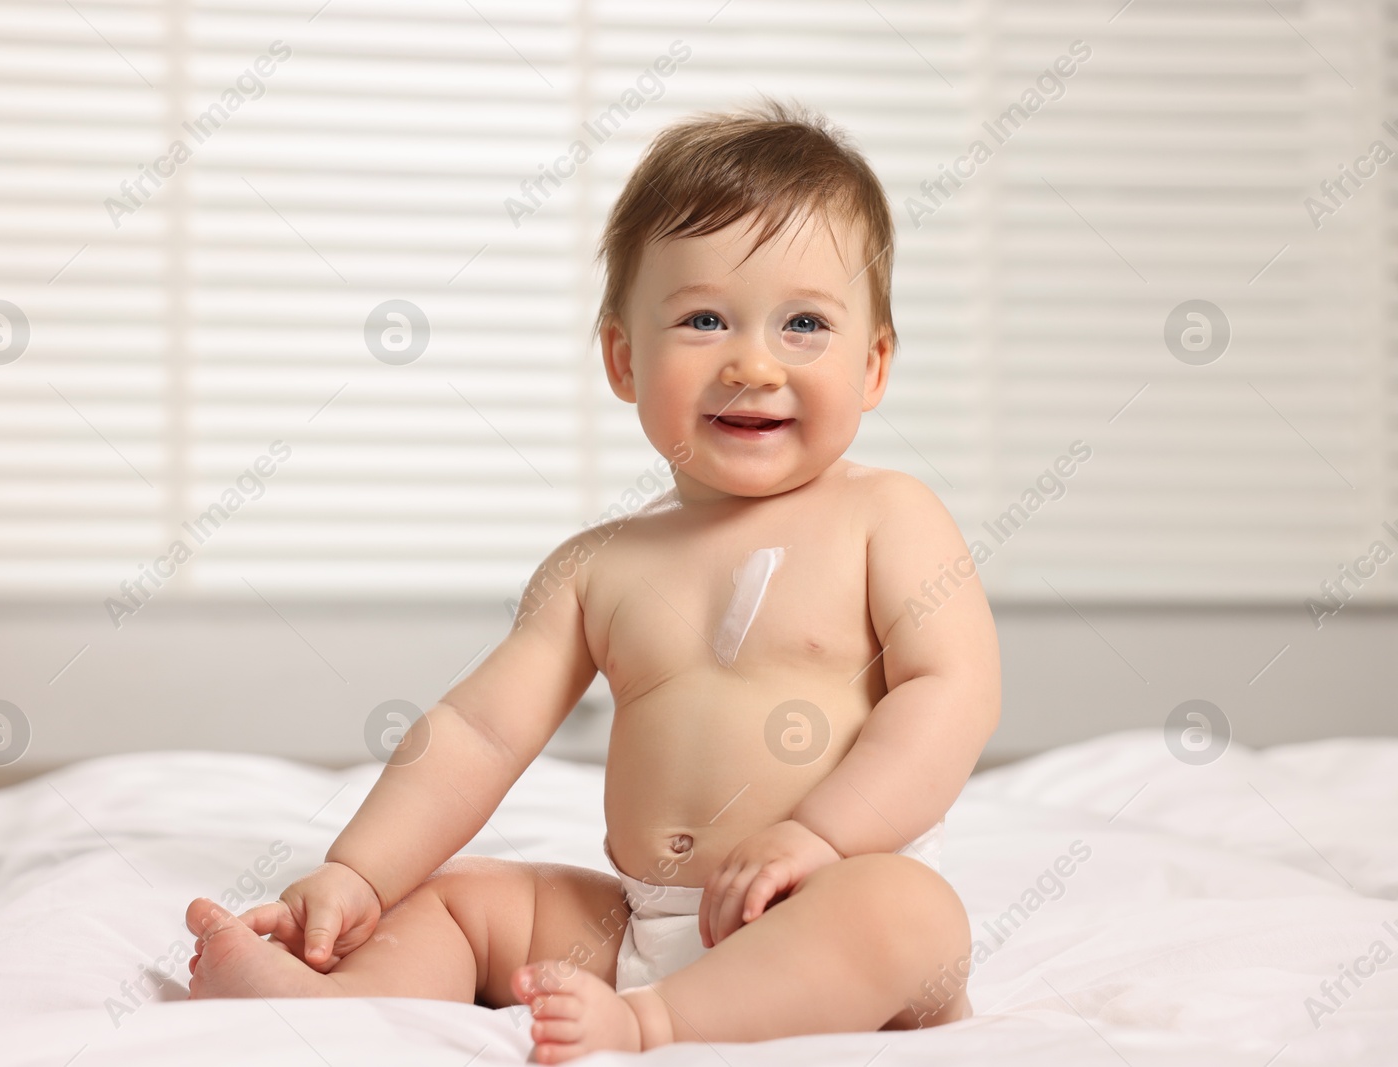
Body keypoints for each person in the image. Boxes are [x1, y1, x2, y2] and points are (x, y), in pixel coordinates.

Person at [183, 97, 1001, 1062]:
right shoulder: (597, 567)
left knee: (910, 910)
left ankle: (654, 1027)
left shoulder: (886, 516)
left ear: (873, 366)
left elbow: (952, 691)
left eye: (804, 325)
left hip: (830, 910)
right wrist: (359, 873)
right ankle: (338, 996)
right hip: (643, 922)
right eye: (704, 318)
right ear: (624, 358)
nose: (751, 361)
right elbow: (480, 733)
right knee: (462, 898)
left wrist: (821, 836)